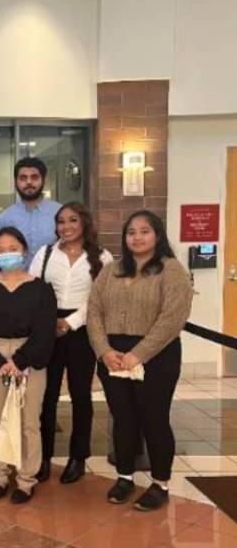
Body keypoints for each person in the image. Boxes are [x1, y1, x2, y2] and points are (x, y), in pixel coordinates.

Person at [87, 210, 193, 511]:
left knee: (154, 419)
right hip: (112, 355)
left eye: (144, 231)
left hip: (156, 356)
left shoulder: (172, 271)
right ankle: (124, 477)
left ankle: (160, 484)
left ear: (157, 235)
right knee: (123, 419)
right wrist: (103, 350)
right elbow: (94, 311)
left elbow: (172, 319)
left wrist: (138, 354)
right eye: (131, 232)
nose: (137, 237)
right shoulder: (111, 270)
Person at [0, 226, 56, 504]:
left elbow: (45, 330)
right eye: (0, 250)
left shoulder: (41, 289)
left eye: (12, 248)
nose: (6, 254)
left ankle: (26, 479)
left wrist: (20, 360)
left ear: (24, 251)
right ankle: (0, 475)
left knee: (29, 421)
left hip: (29, 356)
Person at [29, 202, 113, 484]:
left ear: (84, 222)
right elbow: (33, 289)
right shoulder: (45, 253)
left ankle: (78, 457)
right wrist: (49, 321)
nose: (66, 227)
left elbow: (102, 299)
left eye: (72, 220)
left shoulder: (102, 256)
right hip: (47, 327)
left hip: (83, 329)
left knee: (80, 395)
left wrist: (70, 322)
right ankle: (43, 457)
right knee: (46, 396)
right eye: (61, 221)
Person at [0, 157, 62, 269]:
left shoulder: (60, 213)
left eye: (34, 177)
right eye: (23, 178)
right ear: (16, 182)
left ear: (44, 180)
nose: (29, 182)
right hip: (16, 283)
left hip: (53, 282)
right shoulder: (5, 217)